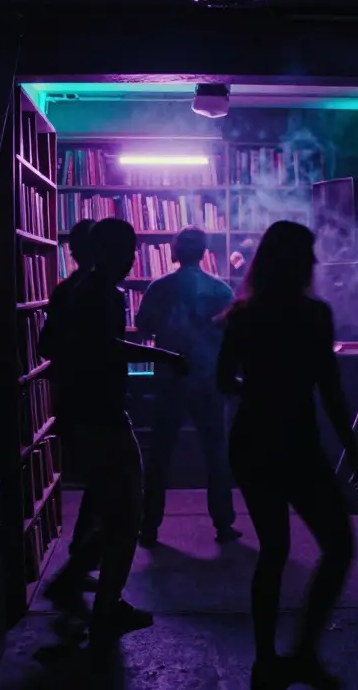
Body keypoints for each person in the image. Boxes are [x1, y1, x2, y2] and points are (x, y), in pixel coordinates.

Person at [215, 220, 358, 690]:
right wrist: (354, 454)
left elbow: (223, 381)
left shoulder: (243, 315)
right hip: (298, 444)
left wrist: (258, 389)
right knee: (338, 546)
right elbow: (332, 393)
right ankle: (303, 651)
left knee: (273, 551)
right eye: (311, 254)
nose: (317, 262)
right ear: (299, 262)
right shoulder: (314, 315)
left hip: (253, 440)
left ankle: (266, 661)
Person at [38, 218, 190, 652]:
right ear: (109, 252)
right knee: (127, 511)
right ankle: (101, 602)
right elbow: (109, 346)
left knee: (116, 505)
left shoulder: (68, 290)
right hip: (101, 411)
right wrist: (165, 356)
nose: (132, 261)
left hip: (73, 409)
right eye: (128, 252)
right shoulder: (106, 294)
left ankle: (83, 589)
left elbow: (48, 347)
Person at [135, 226, 241, 547]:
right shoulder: (221, 290)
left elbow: (143, 326)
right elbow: (232, 334)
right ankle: (223, 524)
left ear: (175, 252)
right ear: (204, 252)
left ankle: (150, 525)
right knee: (216, 452)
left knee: (160, 454)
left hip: (170, 377)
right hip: (208, 378)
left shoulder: (160, 287)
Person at [47, 219, 100, 597]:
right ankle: (78, 567)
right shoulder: (98, 294)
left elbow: (45, 345)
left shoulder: (64, 291)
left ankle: (79, 562)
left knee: (99, 484)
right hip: (93, 399)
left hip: (69, 395)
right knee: (109, 487)